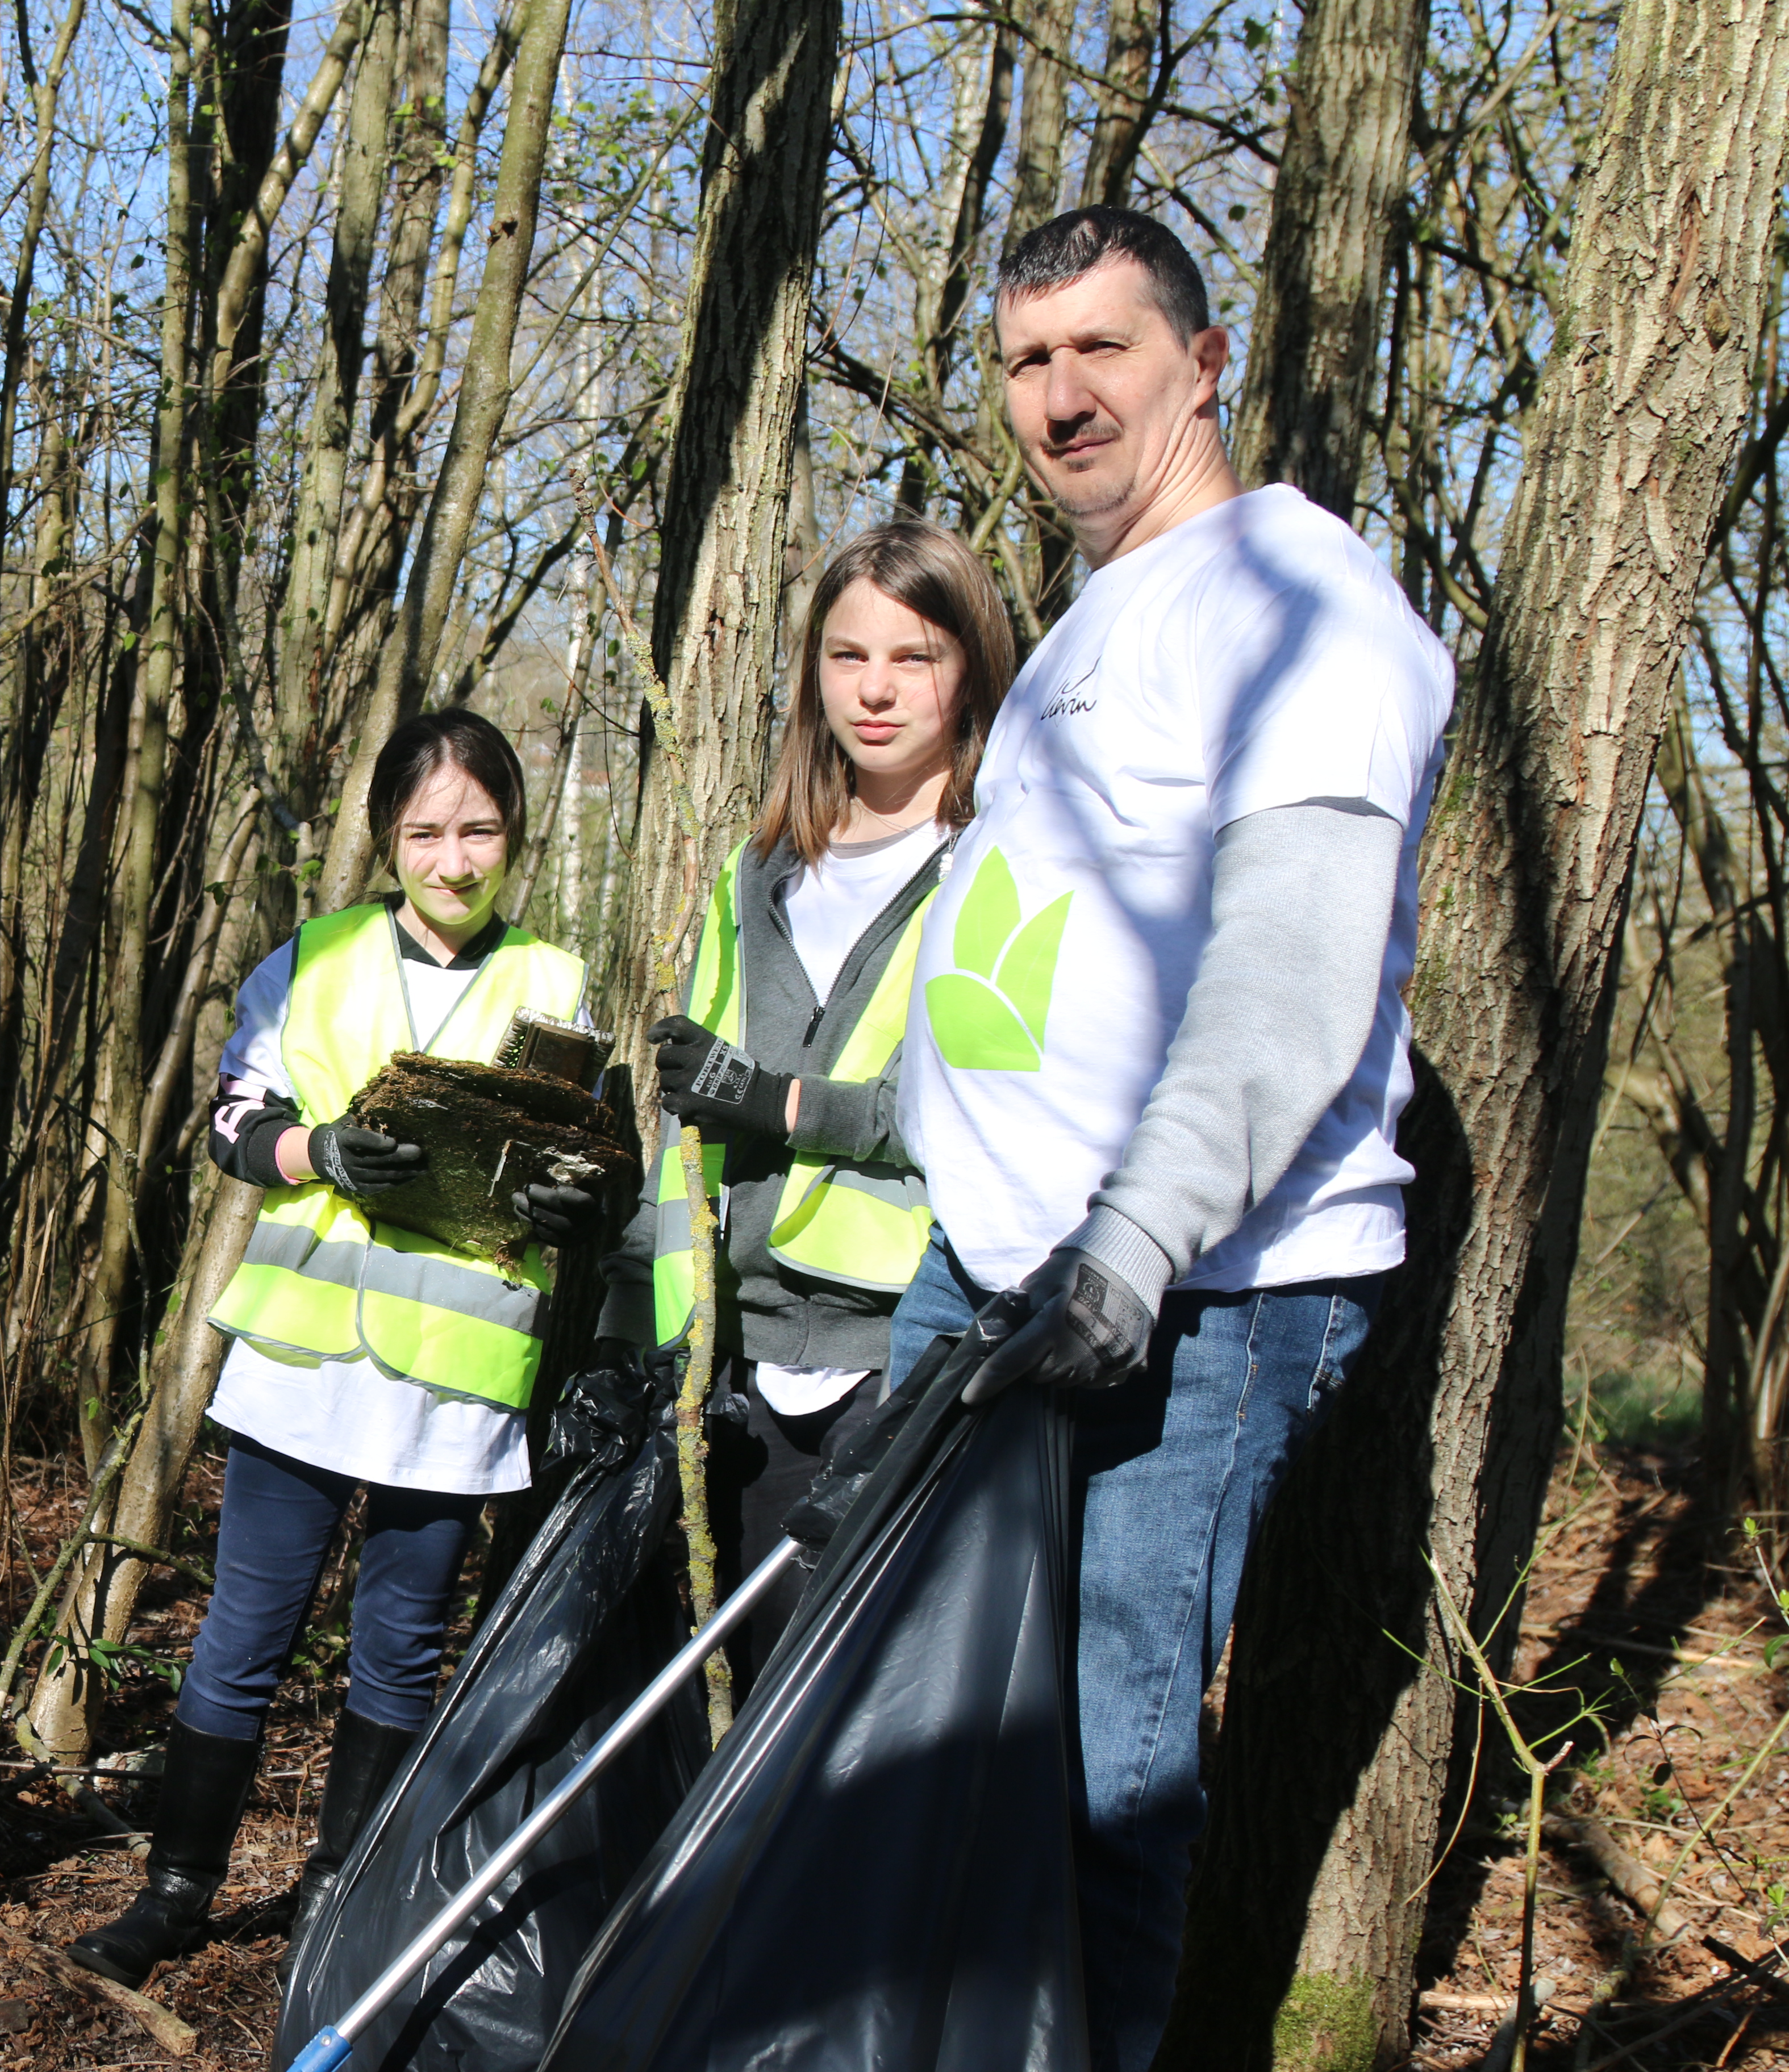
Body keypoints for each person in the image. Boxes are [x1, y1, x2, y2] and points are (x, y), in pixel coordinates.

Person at [889, 206, 1455, 2072]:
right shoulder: (1090, 618)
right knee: (944, 1756)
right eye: (1026, 360)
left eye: (1102, 350)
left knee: (1096, 1790)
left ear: (1203, 361)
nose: (1059, 397)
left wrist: (1129, 1248)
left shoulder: (1301, 605)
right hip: (993, 1270)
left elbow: (1292, 971)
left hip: (1186, 1297)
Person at [65, 709, 612, 1987]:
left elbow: (577, 1153)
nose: (455, 859)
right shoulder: (310, 960)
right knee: (240, 1637)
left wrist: (565, 1195)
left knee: (401, 1652)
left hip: (455, 1383)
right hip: (304, 1370)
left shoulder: (552, 982)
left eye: (479, 830)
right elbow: (235, 1117)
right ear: (387, 839)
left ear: (514, 837)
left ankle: (340, 1904)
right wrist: (321, 1151)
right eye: (427, 832)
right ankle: (176, 1890)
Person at [600, 520, 1015, 1669]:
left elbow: (970, 1116)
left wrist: (784, 1104)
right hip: (731, 1365)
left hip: (904, 1359)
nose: (875, 690)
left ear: (970, 669)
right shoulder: (759, 872)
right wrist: (625, 1334)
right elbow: (687, 1131)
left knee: (831, 1716)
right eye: (848, 656)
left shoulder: (997, 867)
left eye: (914, 657)